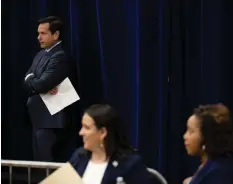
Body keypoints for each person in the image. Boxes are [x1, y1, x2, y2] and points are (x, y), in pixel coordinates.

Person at [24, 16, 75, 162]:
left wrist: (34, 81)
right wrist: (34, 80)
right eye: (38, 33)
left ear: (56, 34)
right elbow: (27, 77)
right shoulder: (40, 54)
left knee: (48, 164)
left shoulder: (60, 56)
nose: (39, 37)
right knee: (38, 163)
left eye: (43, 33)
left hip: (51, 119)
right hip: (38, 117)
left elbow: (42, 84)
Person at [69, 104, 150, 184]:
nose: (81, 133)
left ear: (102, 132)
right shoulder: (79, 157)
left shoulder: (130, 165)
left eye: (86, 127)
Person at [183, 103, 233, 184]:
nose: (185, 136)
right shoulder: (212, 165)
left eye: (191, 131)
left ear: (206, 137)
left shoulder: (218, 173)